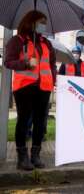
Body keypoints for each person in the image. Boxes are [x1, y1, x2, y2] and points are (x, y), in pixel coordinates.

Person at [5, 11, 56, 170]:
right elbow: (8, 62)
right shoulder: (18, 40)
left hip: (44, 87)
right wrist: (26, 63)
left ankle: (35, 155)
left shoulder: (47, 43)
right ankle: (22, 157)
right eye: (41, 22)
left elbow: (52, 64)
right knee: (24, 121)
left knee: (40, 122)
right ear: (31, 22)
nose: (43, 26)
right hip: (24, 87)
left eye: (45, 23)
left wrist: (52, 78)